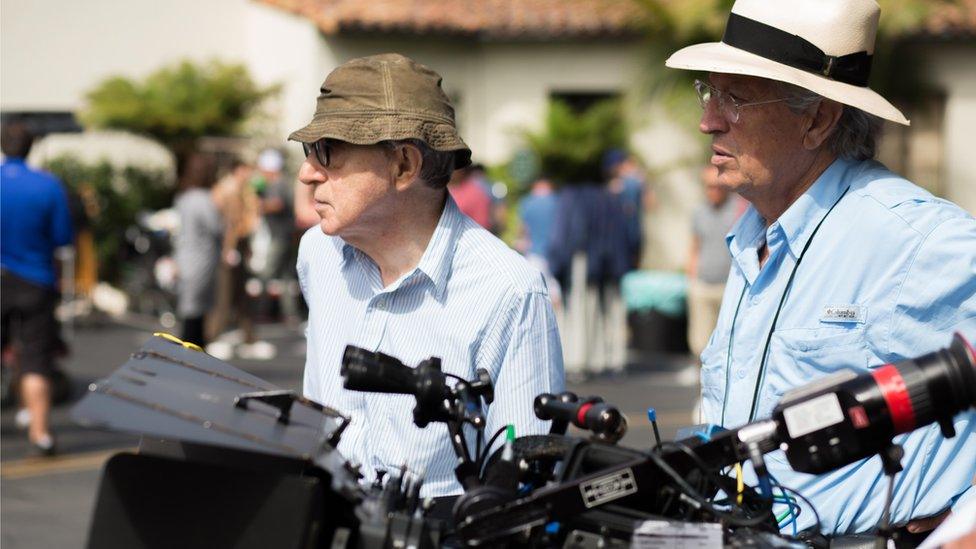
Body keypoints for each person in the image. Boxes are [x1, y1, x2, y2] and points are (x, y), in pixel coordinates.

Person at [665, 0, 975, 536]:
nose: (707, 120)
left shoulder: (916, 239)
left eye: (734, 98)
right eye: (709, 92)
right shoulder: (753, 236)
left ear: (817, 119)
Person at [290, 53, 564, 499]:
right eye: (308, 151)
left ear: (403, 165)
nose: (307, 172)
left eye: (327, 151)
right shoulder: (318, 252)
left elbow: (523, 487)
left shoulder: (509, 291)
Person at [1, 122, 74, 455]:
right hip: (35, 280)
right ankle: (40, 432)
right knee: (35, 359)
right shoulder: (48, 186)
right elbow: (62, 238)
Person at [547, 175, 632, 380]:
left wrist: (557, 264)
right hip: (611, 261)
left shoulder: (571, 197)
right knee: (610, 309)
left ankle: (578, 360)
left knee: (580, 310)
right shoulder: (611, 199)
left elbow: (564, 235)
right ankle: (610, 359)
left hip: (582, 258)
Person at [686, 165, 741, 359]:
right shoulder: (699, 212)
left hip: (728, 286)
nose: (713, 191)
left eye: (717, 186)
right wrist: (691, 278)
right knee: (699, 343)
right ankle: (700, 384)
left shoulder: (738, 209)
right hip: (703, 284)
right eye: (708, 186)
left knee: (727, 343)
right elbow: (695, 246)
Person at [173, 152, 223, 347]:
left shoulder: (183, 198)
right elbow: (216, 228)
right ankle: (194, 353)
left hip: (184, 256)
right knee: (197, 312)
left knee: (188, 308)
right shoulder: (205, 200)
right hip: (202, 258)